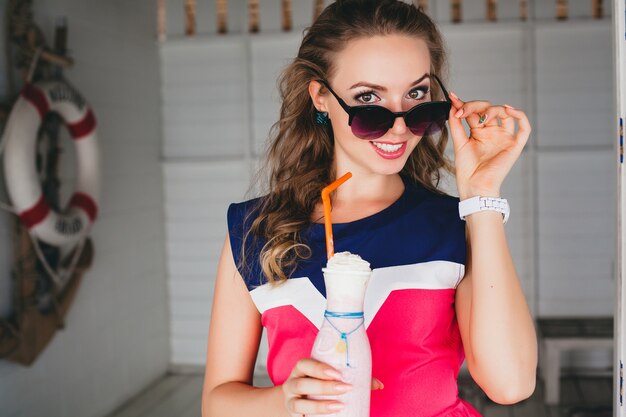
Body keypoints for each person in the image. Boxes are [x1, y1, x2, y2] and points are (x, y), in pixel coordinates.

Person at [201, 1, 538, 416]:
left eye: (416, 95)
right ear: (321, 97)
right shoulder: (256, 229)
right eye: (368, 99)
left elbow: (511, 384)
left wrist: (482, 194)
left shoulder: (456, 224)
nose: (399, 125)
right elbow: (218, 402)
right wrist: (285, 400)